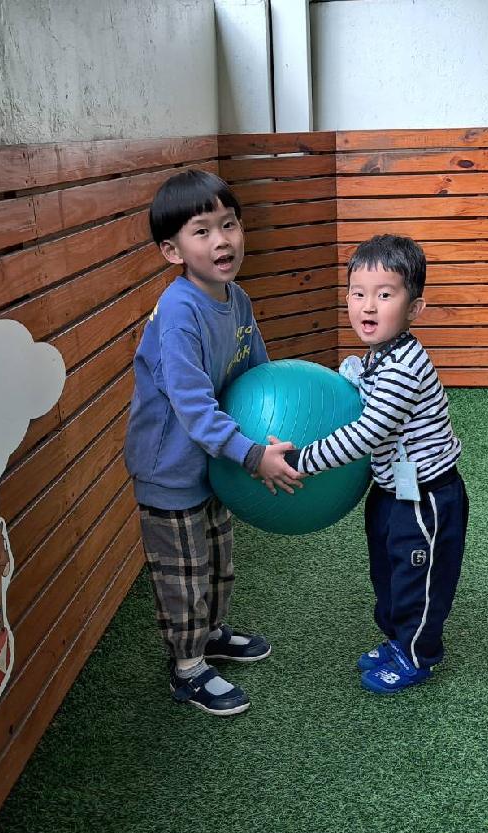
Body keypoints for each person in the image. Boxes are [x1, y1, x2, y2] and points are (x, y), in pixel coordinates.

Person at [124, 169, 301, 716]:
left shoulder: (236, 298)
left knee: (219, 559)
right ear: (171, 251)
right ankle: (187, 667)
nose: (222, 240)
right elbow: (194, 407)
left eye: (229, 224)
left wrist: (274, 428)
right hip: (170, 469)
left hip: (212, 465)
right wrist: (253, 455)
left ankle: (213, 634)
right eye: (202, 231)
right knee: (184, 573)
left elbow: (257, 374)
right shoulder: (179, 314)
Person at [285, 234, 468, 694]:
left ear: (414, 308)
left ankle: (418, 656)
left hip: (427, 498)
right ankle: (397, 639)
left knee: (417, 579)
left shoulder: (405, 366)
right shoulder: (379, 357)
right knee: (387, 573)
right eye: (358, 293)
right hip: (390, 490)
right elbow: (360, 389)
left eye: (385, 295)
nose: (368, 306)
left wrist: (303, 460)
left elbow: (367, 433)